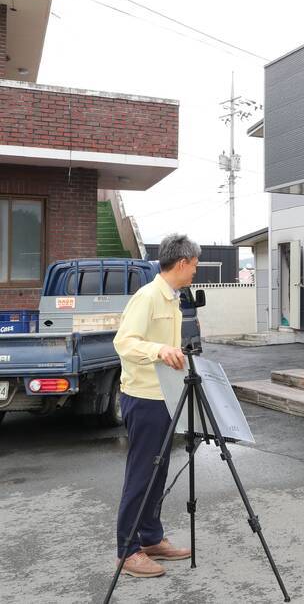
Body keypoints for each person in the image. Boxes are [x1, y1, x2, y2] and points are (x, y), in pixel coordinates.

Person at [112, 233, 197, 578]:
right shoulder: (147, 297)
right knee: (141, 473)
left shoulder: (173, 298)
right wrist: (159, 350)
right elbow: (124, 342)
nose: (195, 271)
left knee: (158, 470)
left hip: (165, 396)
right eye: (194, 265)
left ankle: (150, 537)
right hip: (143, 398)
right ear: (181, 263)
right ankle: (127, 551)